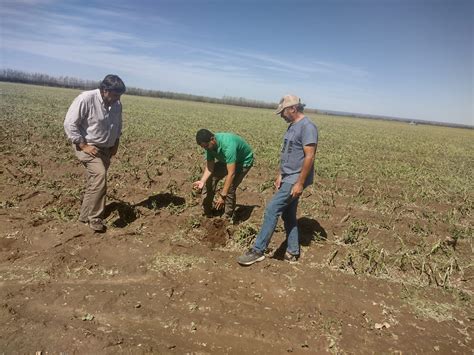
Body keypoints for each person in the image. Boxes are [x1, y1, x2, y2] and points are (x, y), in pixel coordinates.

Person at [237, 95, 318, 265]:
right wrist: (281, 173)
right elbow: (289, 153)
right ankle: (293, 251)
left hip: (295, 178)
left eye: (283, 112)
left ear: (293, 109)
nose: (281, 115)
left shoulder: (307, 127)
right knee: (288, 215)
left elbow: (309, 157)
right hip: (288, 176)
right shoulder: (292, 126)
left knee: (272, 209)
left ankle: (258, 250)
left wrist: (299, 183)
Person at [64, 74, 126, 232]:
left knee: (95, 183)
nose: (118, 98)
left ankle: (84, 216)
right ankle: (95, 218)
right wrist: (83, 145)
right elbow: (70, 124)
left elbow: (118, 126)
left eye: (120, 95)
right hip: (89, 147)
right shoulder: (86, 99)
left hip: (106, 149)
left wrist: (116, 143)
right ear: (105, 90)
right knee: (99, 176)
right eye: (115, 94)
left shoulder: (117, 104)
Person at [193, 129, 254, 222]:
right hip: (227, 160)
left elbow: (231, 174)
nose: (205, 149)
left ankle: (227, 218)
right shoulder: (209, 147)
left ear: (212, 139)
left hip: (243, 162)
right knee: (210, 179)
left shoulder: (228, 145)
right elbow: (210, 167)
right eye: (203, 147)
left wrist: (222, 196)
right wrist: (202, 181)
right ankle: (207, 212)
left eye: (206, 146)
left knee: (230, 187)